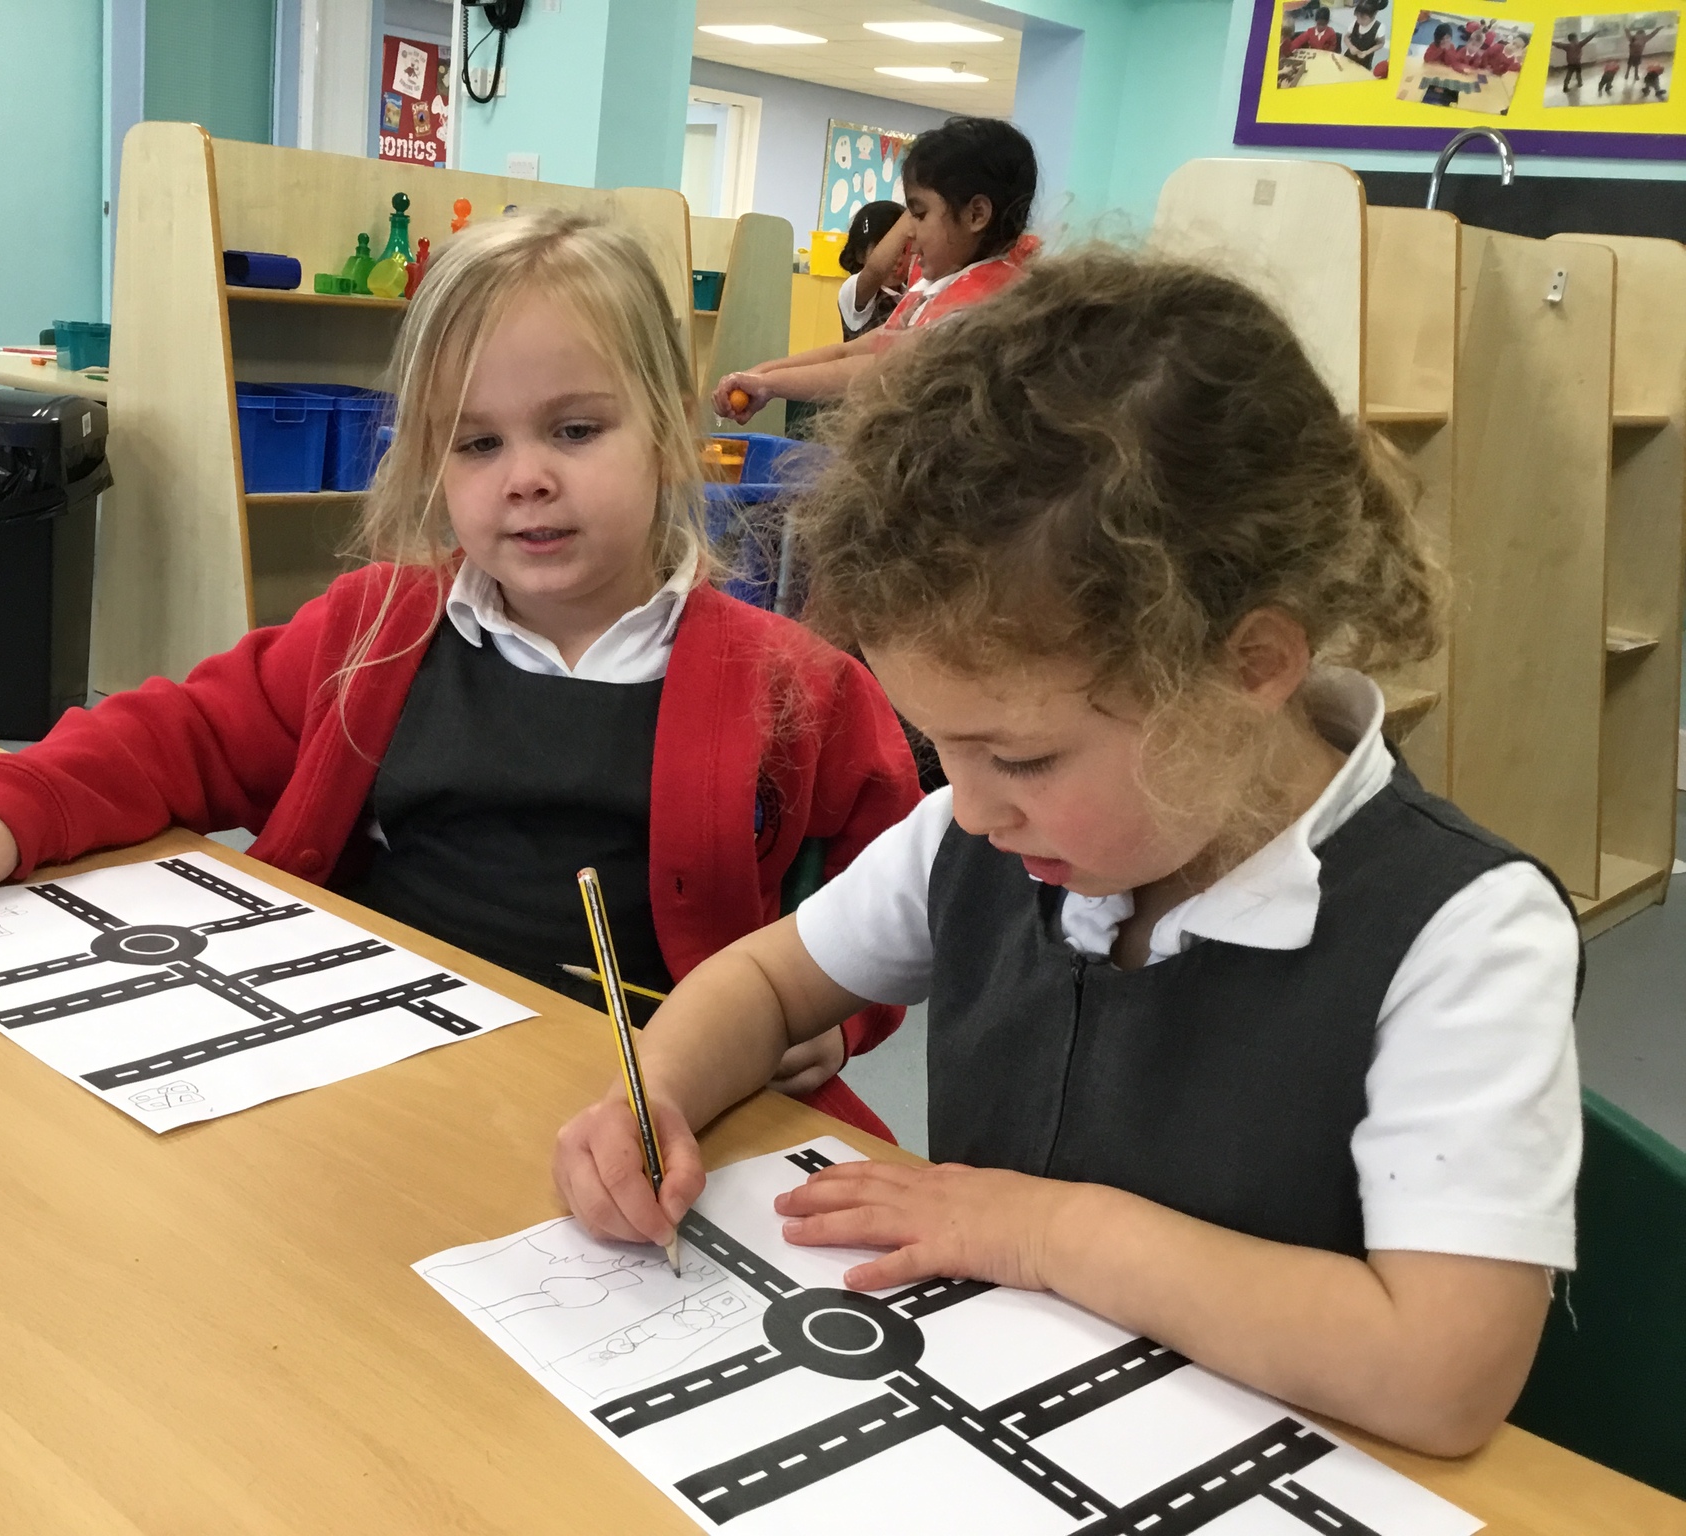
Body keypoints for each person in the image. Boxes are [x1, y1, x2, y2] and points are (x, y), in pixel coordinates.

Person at [553, 250, 1581, 1457]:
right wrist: (653, 1095)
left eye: (1022, 758)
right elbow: (768, 983)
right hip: (984, 1431)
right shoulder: (987, 833)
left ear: (1246, 669)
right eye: (940, 750)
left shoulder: (1462, 932)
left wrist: (1038, 1232)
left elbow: (1441, 1377)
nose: (969, 810)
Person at [0, 210, 923, 1136]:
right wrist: (11, 808)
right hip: (363, 1082)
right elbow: (180, 735)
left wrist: (833, 1018)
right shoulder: (374, 631)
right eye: (475, 444)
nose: (525, 478)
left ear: (670, 434)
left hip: (638, 1114)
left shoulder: (800, 688)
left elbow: (904, 892)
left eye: (575, 429)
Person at [712, 117, 1039, 424]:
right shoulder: (937, 286)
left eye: (919, 215)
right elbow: (855, 349)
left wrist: (770, 384)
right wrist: (762, 374)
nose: (909, 233)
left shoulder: (984, 310)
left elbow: (882, 367)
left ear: (976, 215)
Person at [834, 200, 911, 344]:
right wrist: (912, 211)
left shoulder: (911, 291)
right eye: (885, 249)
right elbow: (876, 270)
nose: (898, 259)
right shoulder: (852, 292)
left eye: (904, 249)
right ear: (860, 255)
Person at [1555, 26, 1600, 91]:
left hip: (1573, 64)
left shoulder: (1568, 46)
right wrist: (1594, 33)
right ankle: (1576, 84)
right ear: (1574, 39)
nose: (1577, 40)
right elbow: (1587, 39)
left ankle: (1571, 85)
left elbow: (1558, 44)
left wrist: (1552, 42)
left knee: (1572, 75)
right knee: (1576, 74)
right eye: (1576, 38)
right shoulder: (1578, 44)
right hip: (1575, 64)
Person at [1342, 3, 1383, 69]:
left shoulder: (1378, 28)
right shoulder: (1355, 23)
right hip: (1349, 57)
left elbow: (1380, 43)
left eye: (1364, 18)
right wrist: (1351, 47)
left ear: (1373, 16)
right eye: (1357, 17)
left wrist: (1367, 52)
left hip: (1364, 62)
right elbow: (1346, 37)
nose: (1359, 21)